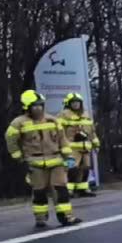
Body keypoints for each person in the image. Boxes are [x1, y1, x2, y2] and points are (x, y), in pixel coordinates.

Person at [5, 90, 80, 229]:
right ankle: (40, 218)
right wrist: (19, 158)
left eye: (40, 105)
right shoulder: (18, 123)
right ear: (27, 107)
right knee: (39, 191)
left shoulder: (53, 120)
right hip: (34, 163)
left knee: (61, 189)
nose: (38, 108)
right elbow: (11, 140)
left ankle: (66, 217)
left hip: (56, 160)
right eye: (35, 106)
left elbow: (62, 140)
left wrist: (68, 157)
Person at [58, 93, 100, 197]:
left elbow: (92, 132)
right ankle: (68, 190)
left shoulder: (86, 115)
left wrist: (96, 144)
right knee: (71, 169)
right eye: (73, 103)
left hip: (85, 147)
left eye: (78, 102)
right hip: (71, 148)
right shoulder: (63, 115)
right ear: (68, 104)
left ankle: (83, 189)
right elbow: (59, 132)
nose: (76, 105)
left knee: (86, 168)